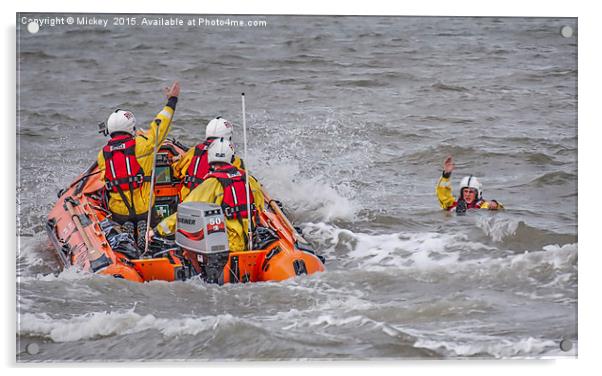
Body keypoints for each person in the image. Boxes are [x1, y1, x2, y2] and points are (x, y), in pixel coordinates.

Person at [98, 81, 180, 249]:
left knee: (116, 205)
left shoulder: (103, 155)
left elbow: (103, 179)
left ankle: (126, 233)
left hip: (119, 212)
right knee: (157, 216)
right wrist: (172, 101)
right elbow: (161, 124)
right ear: (131, 128)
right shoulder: (143, 144)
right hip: (145, 209)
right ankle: (150, 235)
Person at [151, 137, 265, 252]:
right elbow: (259, 208)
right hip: (250, 242)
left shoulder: (212, 184)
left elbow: (186, 211)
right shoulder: (249, 180)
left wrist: (158, 230)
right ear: (232, 157)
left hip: (223, 246)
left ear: (210, 157)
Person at [172, 117, 245, 201]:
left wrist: (177, 160)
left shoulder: (194, 151)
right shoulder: (234, 159)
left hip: (189, 201)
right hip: (215, 204)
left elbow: (176, 171)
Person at [436, 155, 503, 213]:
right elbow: (443, 194)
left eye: (471, 192)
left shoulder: (484, 206)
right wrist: (446, 175)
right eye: (465, 191)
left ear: (477, 193)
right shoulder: (453, 205)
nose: (467, 194)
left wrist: (495, 204)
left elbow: (500, 208)